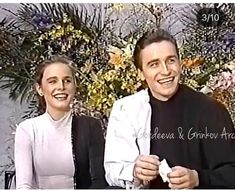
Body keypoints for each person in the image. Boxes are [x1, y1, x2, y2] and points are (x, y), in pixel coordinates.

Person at [104, 29, 235, 189]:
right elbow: (112, 171)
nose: (165, 71)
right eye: (154, 64)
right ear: (140, 73)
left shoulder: (211, 110)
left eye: (171, 60)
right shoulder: (125, 110)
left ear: (180, 63)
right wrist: (134, 171)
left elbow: (231, 173)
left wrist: (198, 178)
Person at [14, 56, 107, 189]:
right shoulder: (27, 130)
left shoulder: (90, 126)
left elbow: (99, 180)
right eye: (53, 81)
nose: (61, 87)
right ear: (40, 89)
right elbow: (23, 186)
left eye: (67, 81)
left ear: (74, 86)